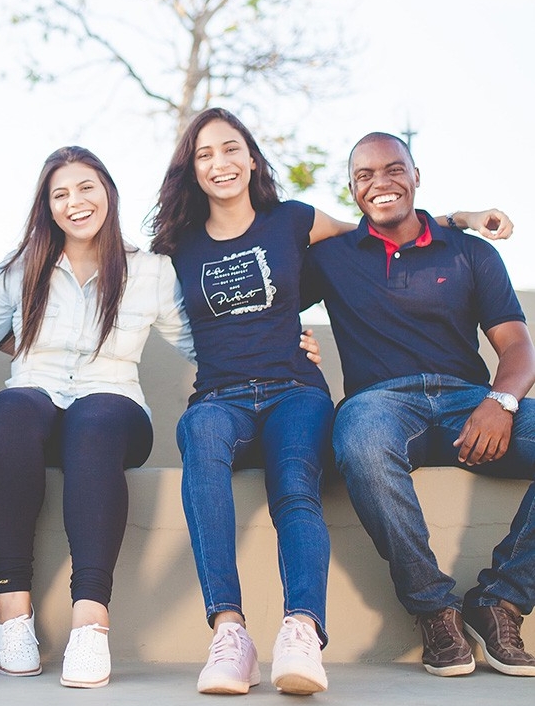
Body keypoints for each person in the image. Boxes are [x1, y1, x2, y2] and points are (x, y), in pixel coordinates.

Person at [147, 108, 508, 695]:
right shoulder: (175, 246)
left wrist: (460, 218)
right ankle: (230, 632)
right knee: (200, 440)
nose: (221, 163)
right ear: (190, 168)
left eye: (232, 148)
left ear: (252, 158)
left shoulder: (293, 221)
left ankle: (302, 632)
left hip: (296, 390)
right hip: (219, 396)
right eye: (206, 153)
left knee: (295, 483)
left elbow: (381, 228)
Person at [0, 146, 253, 689]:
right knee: (8, 411)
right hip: (35, 405)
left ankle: (90, 622)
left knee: (93, 423)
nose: (75, 202)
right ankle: (13, 613)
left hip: (114, 410)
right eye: (60, 193)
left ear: (108, 192)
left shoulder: (150, 271)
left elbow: (200, 342)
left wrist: (278, 348)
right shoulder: (19, 270)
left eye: (86, 187)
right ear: (47, 207)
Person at [302, 131, 535, 678]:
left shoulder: (470, 251)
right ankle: (435, 610)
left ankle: (501, 600)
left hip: (471, 404)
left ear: (415, 175)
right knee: (358, 440)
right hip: (379, 405)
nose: (380, 183)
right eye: (364, 176)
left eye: (393, 169)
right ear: (352, 190)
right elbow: (262, 282)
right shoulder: (331, 257)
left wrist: (501, 402)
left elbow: (517, 345)